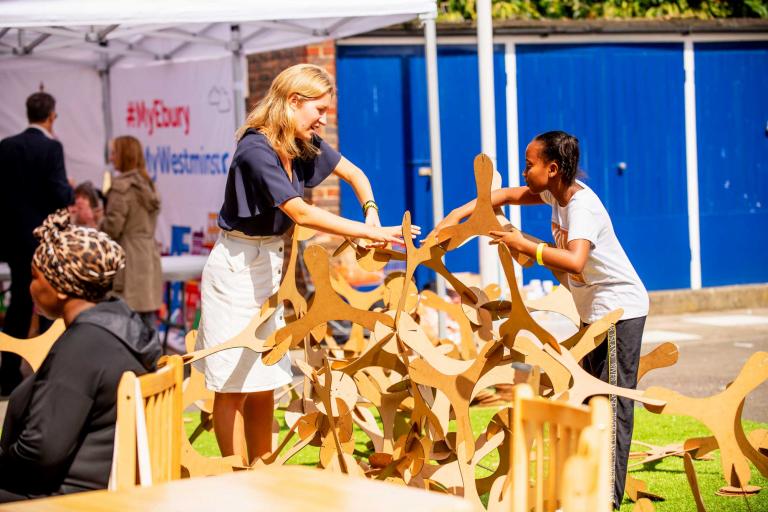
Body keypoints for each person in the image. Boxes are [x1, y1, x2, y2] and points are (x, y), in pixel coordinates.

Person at [194, 63, 415, 465]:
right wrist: (372, 234)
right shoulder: (255, 149)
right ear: (294, 102)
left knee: (263, 380)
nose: (324, 120)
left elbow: (354, 173)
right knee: (230, 384)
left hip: (268, 267)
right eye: (319, 110)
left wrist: (370, 213)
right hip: (236, 269)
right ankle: (234, 479)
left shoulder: (301, 141)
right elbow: (303, 214)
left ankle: (261, 473)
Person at [433, 131, 648, 509]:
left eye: (529, 163)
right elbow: (503, 196)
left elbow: (576, 261)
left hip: (619, 311)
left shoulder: (582, 206)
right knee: (587, 398)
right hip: (594, 312)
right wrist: (458, 214)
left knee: (611, 404)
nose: (523, 169)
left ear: (552, 168)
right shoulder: (555, 193)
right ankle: (586, 485)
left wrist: (527, 246)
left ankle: (606, 498)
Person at [0, 209, 161, 502]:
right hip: (94, 482)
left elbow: (40, 455)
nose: (30, 286)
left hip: (68, 496)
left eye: (34, 277)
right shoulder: (123, 327)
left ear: (60, 286)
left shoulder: (83, 349)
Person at [0, 91, 73, 395]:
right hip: (42, 241)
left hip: (12, 241)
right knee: (49, 305)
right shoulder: (51, 148)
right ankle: (45, 372)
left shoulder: (6, 146)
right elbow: (60, 195)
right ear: (51, 116)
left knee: (18, 304)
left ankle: (7, 374)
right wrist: (68, 193)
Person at [101, 136, 163, 328]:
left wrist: (98, 225)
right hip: (148, 257)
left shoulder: (121, 188)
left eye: (114, 153)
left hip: (127, 259)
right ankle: (152, 358)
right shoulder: (148, 184)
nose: (111, 158)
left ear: (124, 155)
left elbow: (112, 228)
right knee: (147, 319)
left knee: (124, 321)